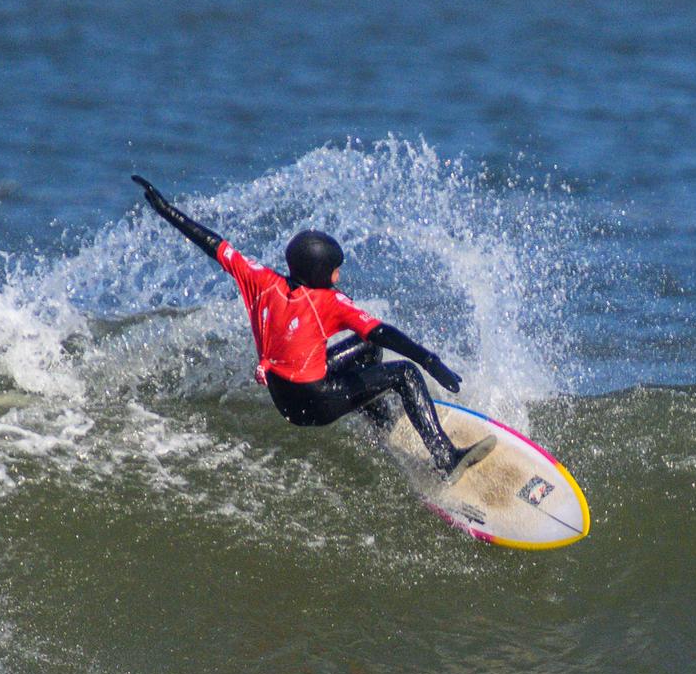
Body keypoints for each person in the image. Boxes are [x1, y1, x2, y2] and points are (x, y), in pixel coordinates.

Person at [131, 175, 494, 478]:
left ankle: (380, 419)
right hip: (315, 403)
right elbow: (382, 331)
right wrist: (429, 360)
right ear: (322, 272)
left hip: (283, 397)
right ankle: (445, 458)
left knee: (367, 350)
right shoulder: (330, 302)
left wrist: (166, 210)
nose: (338, 276)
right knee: (404, 374)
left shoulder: (262, 280)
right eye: (335, 270)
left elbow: (213, 244)